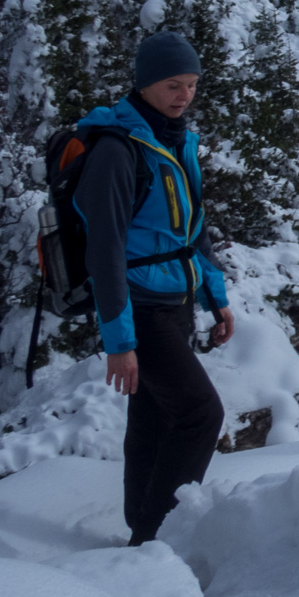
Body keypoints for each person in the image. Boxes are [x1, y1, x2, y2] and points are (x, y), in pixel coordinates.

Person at [74, 31, 234, 545]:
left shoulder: (174, 138)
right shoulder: (118, 151)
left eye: (191, 84)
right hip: (139, 308)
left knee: (156, 415)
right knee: (199, 412)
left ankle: (140, 526)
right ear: (145, 84)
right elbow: (104, 251)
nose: (183, 94)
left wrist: (216, 298)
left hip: (176, 301)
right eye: (172, 84)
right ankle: (158, 538)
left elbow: (195, 229)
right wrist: (119, 342)